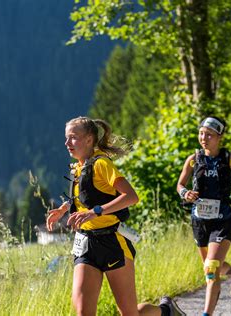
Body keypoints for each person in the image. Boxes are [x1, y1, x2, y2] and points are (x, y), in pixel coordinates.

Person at [47, 116, 185, 316]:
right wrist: (63, 209)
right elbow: (87, 196)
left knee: (129, 313)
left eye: (73, 138)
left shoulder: (101, 164)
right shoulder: (78, 167)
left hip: (112, 242)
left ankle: (165, 311)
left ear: (89, 139)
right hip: (85, 243)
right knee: (83, 312)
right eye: (66, 138)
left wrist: (96, 212)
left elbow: (131, 197)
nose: (67, 143)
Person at [177, 116, 231, 316]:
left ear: (219, 137)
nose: (204, 138)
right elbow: (180, 185)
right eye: (201, 133)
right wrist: (185, 193)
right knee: (209, 269)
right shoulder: (194, 159)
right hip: (199, 221)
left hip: (222, 221)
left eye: (209, 135)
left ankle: (206, 314)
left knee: (212, 268)